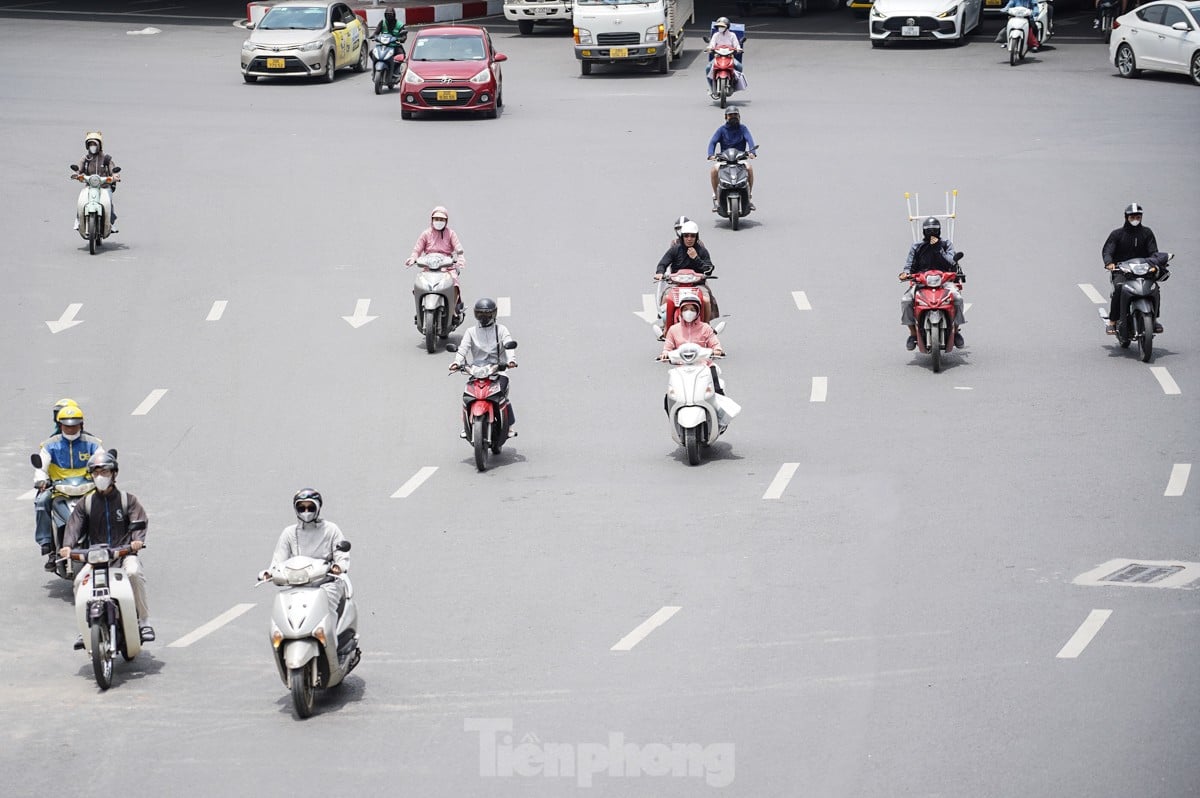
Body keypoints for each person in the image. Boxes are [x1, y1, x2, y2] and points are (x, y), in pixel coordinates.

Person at [60, 450, 153, 648]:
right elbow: (74, 526)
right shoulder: (86, 503)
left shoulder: (128, 500)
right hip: (96, 558)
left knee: (135, 573)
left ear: (114, 474)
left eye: (105, 472)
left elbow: (139, 520)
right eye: (96, 473)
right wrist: (67, 546)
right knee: (78, 583)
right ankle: (84, 631)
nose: (100, 477)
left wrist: (136, 541)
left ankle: (144, 621)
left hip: (124, 554)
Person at [259, 489, 350, 624]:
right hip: (298, 585)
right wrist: (269, 573)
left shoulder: (331, 529)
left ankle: (330, 638)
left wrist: (338, 567)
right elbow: (278, 560)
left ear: (318, 508)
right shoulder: (289, 533)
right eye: (301, 508)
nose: (306, 512)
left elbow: (342, 556)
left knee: (326, 606)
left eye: (310, 507)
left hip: (327, 584)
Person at [34, 404, 103, 570]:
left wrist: (104, 476)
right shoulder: (49, 445)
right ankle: (48, 545)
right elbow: (41, 467)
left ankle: (115, 543)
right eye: (67, 425)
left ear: (81, 424)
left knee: (111, 503)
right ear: (60, 425)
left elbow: (102, 461)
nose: (71, 429)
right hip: (59, 491)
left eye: (74, 425)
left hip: (88, 490)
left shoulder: (93, 443)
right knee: (42, 501)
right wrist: (41, 480)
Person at [449, 298, 518, 434]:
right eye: (480, 314)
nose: (483, 317)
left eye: (487, 314)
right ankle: (467, 426)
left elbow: (508, 345)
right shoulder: (471, 331)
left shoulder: (501, 330)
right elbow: (463, 348)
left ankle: (508, 426)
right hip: (476, 371)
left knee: (502, 396)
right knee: (467, 396)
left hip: (498, 370)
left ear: (494, 314)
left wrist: (511, 361)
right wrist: (456, 362)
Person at [898, 217, 966, 350]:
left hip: (944, 281)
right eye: (929, 231)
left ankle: (955, 331)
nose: (932, 234)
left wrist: (938, 249)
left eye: (935, 231)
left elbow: (952, 262)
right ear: (924, 232)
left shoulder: (946, 244)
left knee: (958, 299)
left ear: (939, 230)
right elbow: (909, 265)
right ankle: (912, 333)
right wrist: (905, 273)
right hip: (922, 281)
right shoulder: (917, 247)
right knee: (906, 300)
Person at [1103, 203, 1162, 335]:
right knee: (1119, 287)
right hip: (1122, 270)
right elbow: (1108, 250)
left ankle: (1155, 319)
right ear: (1126, 217)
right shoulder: (1117, 234)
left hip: (1143, 269)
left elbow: (1154, 252)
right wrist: (1109, 263)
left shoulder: (1147, 233)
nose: (1135, 219)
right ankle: (1112, 322)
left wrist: (1155, 262)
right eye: (1132, 217)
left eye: (1138, 217)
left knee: (1154, 288)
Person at [654, 221, 719, 335]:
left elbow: (709, 268)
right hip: (676, 284)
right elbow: (662, 263)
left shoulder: (701, 251)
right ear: (682, 236)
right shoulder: (675, 250)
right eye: (686, 236)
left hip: (697, 284)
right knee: (666, 298)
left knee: (706, 300)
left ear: (696, 237)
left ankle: (706, 327)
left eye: (692, 236)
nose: (689, 239)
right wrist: (660, 273)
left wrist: (696, 258)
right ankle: (666, 326)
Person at [407, 206, 466, 319]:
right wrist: (412, 258)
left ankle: (452, 310)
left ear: (446, 221)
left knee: (455, 284)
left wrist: (460, 259)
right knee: (419, 285)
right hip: (428, 267)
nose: (439, 222)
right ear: (432, 220)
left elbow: (458, 249)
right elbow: (417, 249)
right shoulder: (426, 234)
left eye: (442, 219)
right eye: (436, 219)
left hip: (447, 266)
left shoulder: (451, 234)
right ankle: (420, 310)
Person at [707, 108, 756, 212]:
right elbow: (712, 142)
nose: (733, 117)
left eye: (735, 115)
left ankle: (749, 196)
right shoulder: (721, 130)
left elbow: (750, 140)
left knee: (749, 169)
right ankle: (717, 197)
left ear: (739, 116)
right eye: (730, 115)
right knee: (713, 171)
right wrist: (711, 154)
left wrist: (752, 152)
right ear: (726, 117)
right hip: (724, 159)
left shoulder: (743, 128)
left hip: (740, 158)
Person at [74, 131, 120, 233]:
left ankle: (111, 223)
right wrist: (77, 174)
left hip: (104, 186)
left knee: (109, 202)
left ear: (99, 145)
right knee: (81, 200)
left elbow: (113, 170)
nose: (92, 146)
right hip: (89, 186)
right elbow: (79, 169)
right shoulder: (85, 159)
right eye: (90, 144)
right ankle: (78, 220)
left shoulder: (107, 159)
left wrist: (115, 176)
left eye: (94, 144)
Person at [705, 17, 744, 92]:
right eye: (719, 26)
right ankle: (712, 87)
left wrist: (738, 49)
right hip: (718, 56)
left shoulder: (732, 35)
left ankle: (734, 83)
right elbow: (712, 44)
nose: (720, 28)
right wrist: (709, 48)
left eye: (722, 26)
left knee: (739, 66)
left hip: (729, 57)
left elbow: (736, 44)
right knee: (708, 68)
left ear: (727, 27)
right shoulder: (716, 35)